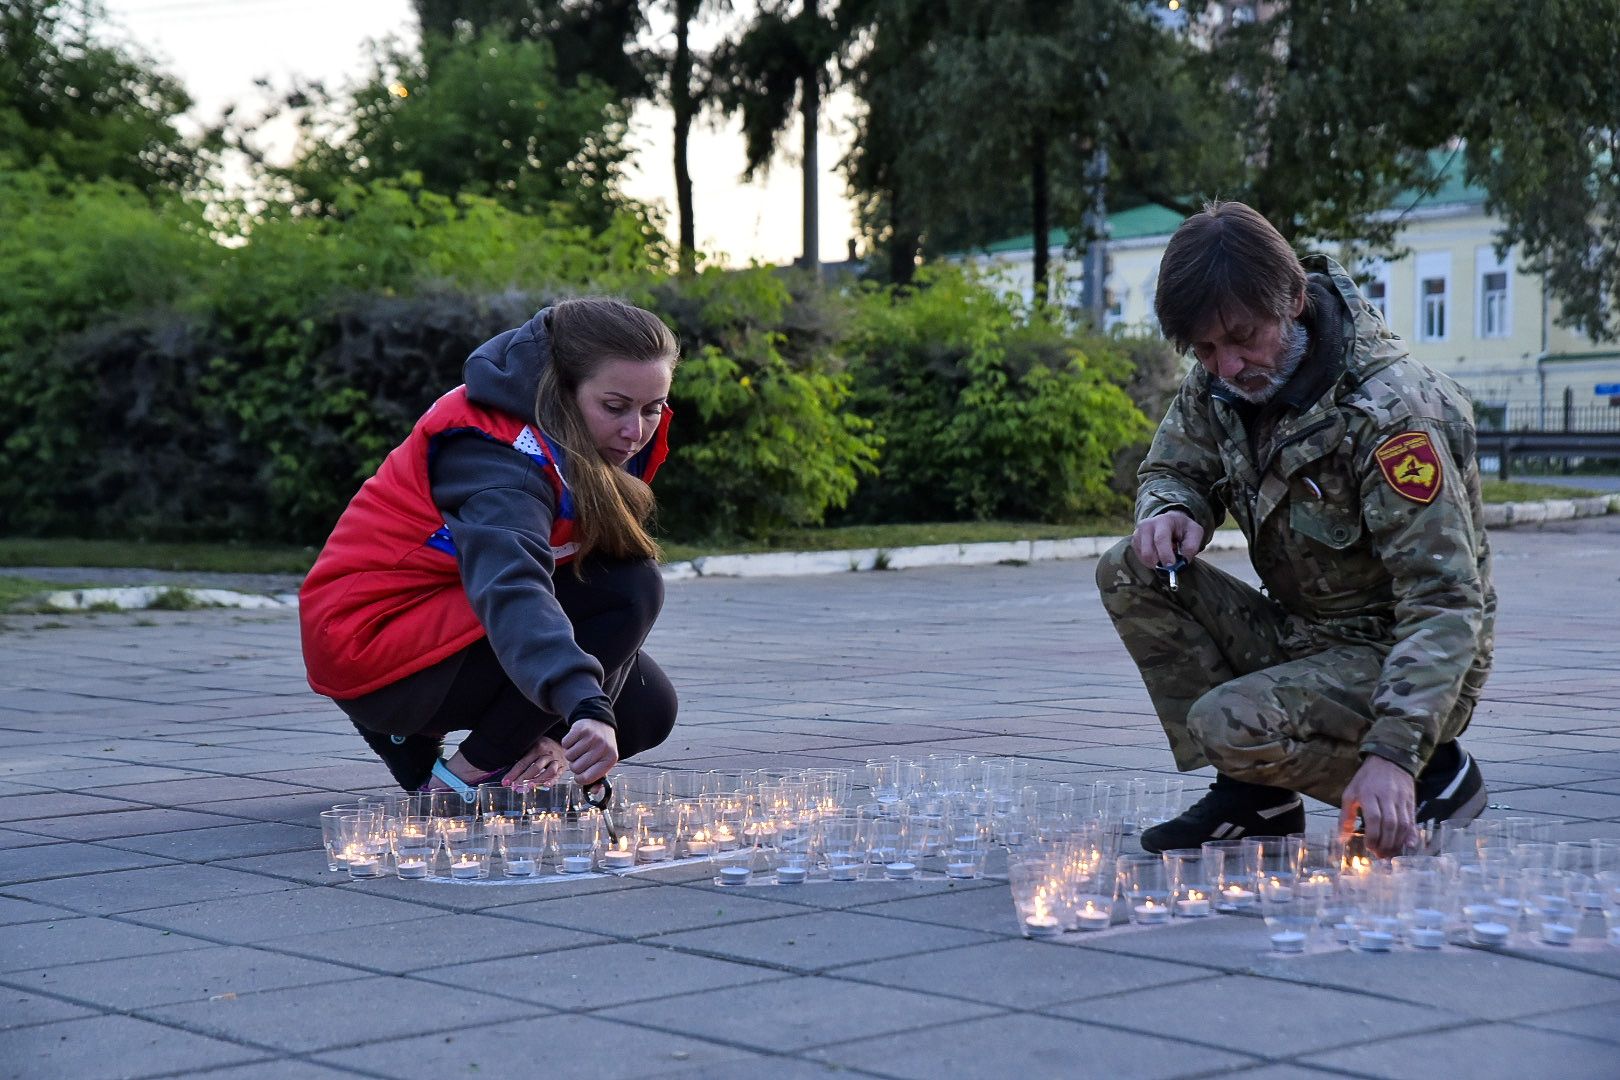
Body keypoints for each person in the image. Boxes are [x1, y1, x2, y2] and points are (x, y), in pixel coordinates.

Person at [1096, 201, 1494, 857]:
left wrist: (1395, 747)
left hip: (1404, 652)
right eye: (1204, 348)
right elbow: (1173, 466)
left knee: (1224, 722)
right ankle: (1255, 799)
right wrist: (1173, 510)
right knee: (1131, 569)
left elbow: (1446, 600)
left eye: (1242, 338)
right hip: (1309, 632)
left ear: (1294, 300)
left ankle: (1431, 778)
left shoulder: (1392, 412)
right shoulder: (1223, 380)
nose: (1225, 365)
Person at [300, 296, 680, 800]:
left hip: (448, 620)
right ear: (562, 391)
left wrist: (555, 737)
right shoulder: (497, 459)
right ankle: (463, 778)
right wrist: (582, 706)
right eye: (615, 407)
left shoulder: (586, 436)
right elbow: (513, 586)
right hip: (373, 647)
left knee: (645, 710)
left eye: (652, 409)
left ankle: (449, 748)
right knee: (627, 587)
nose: (635, 431)